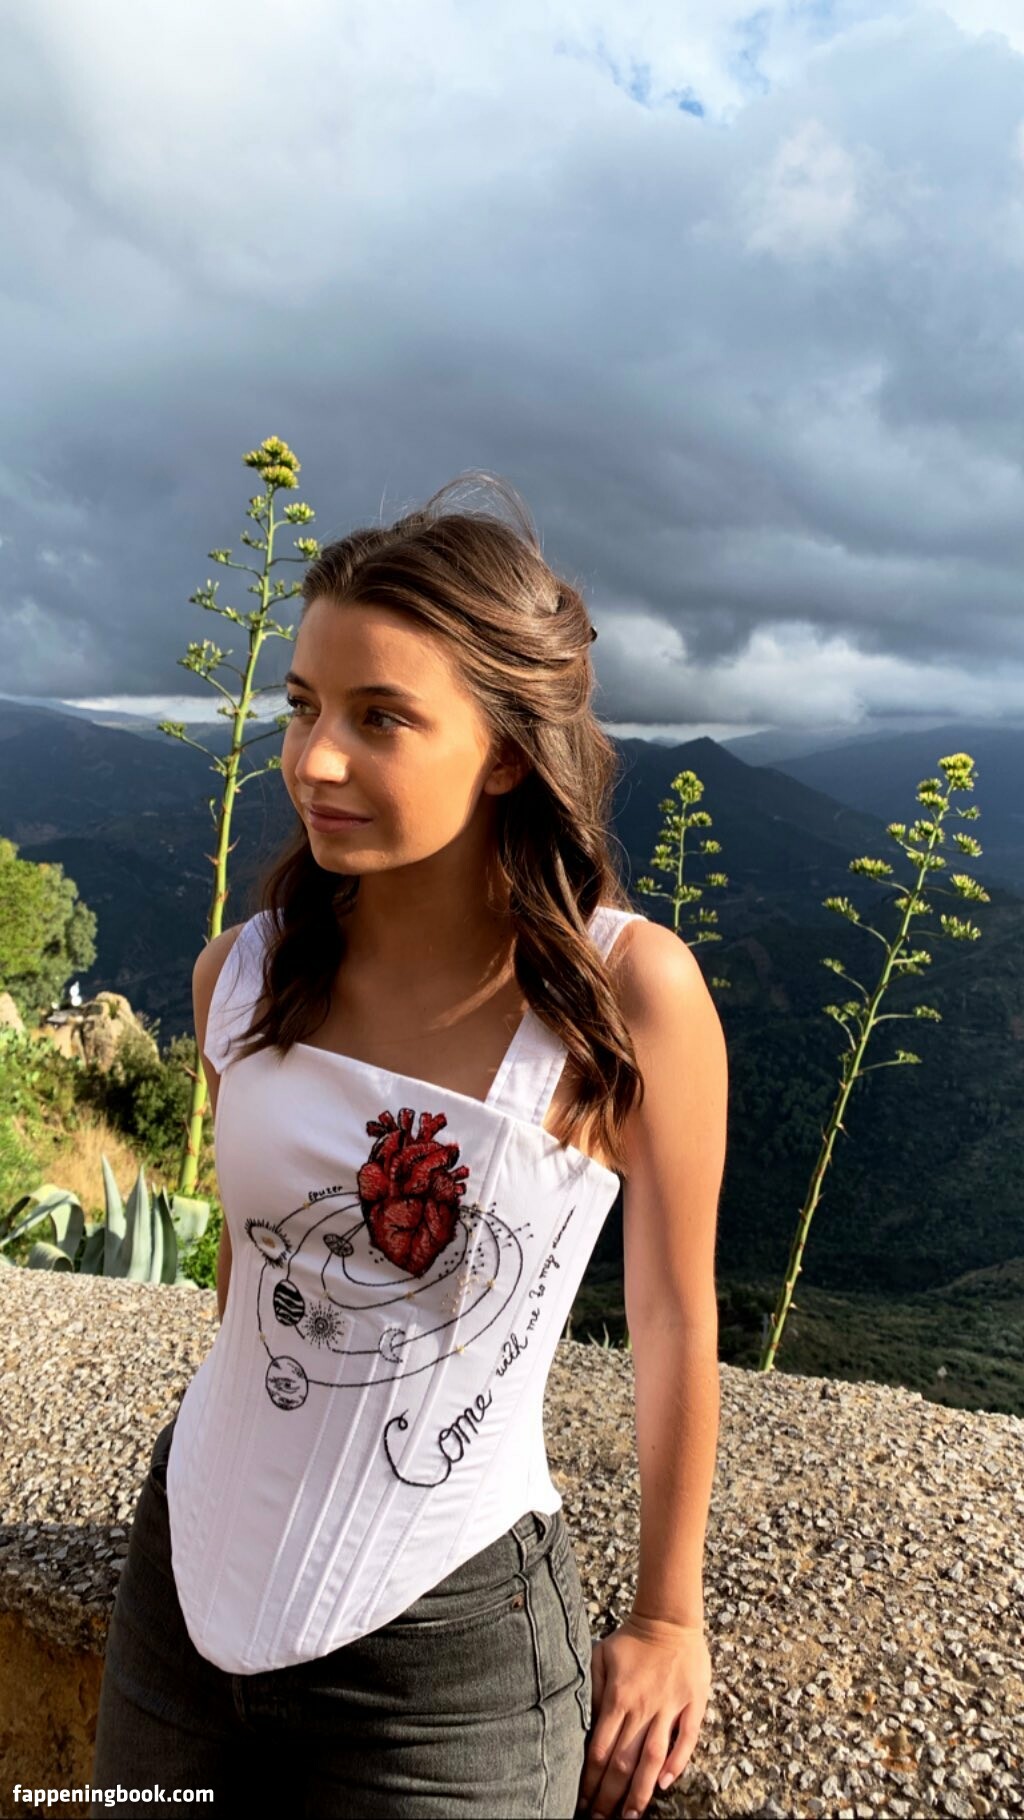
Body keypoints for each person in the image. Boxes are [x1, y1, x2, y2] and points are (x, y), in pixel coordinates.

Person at [90, 472, 726, 1819]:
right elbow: (249, 1280)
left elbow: (673, 1312)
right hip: (176, 1594)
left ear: (505, 749)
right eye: (302, 707)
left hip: (449, 1663)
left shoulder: (628, 996)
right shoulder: (240, 977)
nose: (314, 760)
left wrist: (669, 1615)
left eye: (381, 717)